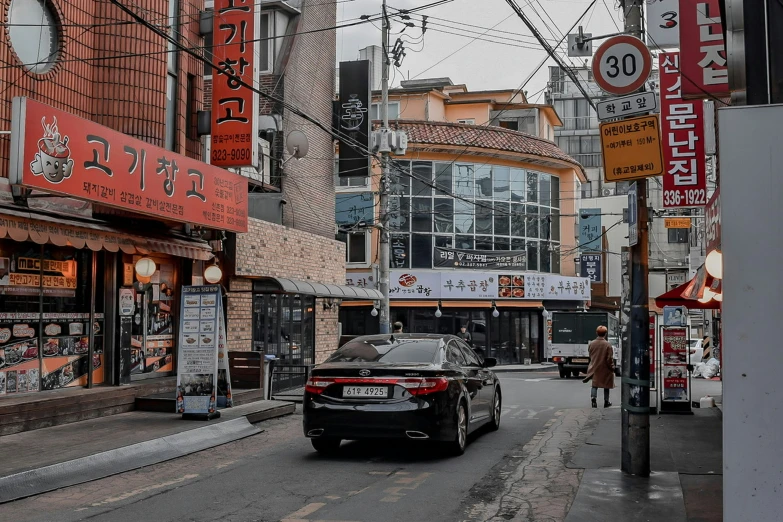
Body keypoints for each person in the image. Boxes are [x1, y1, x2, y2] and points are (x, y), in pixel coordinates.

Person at [582, 325, 615, 408]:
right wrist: (612, 367)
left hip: (594, 367)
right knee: (606, 385)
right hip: (605, 368)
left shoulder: (592, 344)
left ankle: (593, 399)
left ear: (596, 333)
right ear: (605, 334)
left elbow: (590, 355)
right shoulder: (607, 345)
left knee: (594, 384)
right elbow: (609, 358)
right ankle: (606, 401)